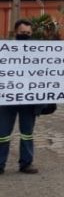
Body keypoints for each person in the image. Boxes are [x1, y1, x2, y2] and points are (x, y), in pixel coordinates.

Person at [0, 19, 40, 175]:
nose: (26, 36)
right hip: (7, 98)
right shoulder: (4, 50)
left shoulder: (40, 52)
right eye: (23, 33)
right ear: (15, 32)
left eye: (29, 33)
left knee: (27, 133)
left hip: (28, 99)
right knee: (2, 134)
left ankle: (26, 163)